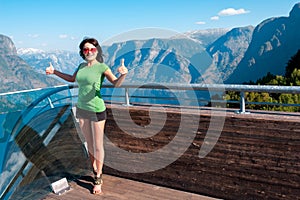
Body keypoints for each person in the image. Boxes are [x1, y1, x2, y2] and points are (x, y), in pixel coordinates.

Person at [45, 37, 128, 194]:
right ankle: (94, 169)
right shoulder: (81, 66)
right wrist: (54, 71)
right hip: (82, 109)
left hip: (97, 109)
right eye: (86, 49)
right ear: (82, 52)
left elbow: (116, 83)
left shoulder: (102, 67)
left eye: (92, 49)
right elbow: (72, 79)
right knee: (89, 144)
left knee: (98, 145)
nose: (89, 52)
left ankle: (98, 178)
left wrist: (123, 75)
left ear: (97, 51)